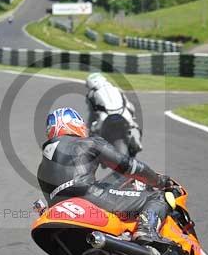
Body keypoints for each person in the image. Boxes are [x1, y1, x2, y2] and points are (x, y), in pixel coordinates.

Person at [37, 107, 174, 244]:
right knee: (158, 197)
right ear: (73, 125)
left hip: (59, 211)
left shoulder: (42, 168)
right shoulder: (88, 142)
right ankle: (146, 230)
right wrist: (159, 181)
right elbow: (128, 166)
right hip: (88, 196)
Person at [85, 73, 143, 155]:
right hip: (123, 114)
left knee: (92, 133)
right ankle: (137, 143)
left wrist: (89, 128)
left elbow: (91, 115)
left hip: (105, 118)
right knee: (134, 126)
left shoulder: (91, 95)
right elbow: (130, 106)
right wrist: (132, 118)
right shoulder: (117, 89)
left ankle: (97, 153)